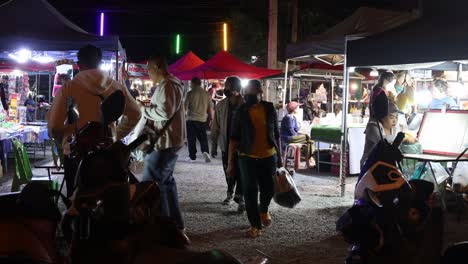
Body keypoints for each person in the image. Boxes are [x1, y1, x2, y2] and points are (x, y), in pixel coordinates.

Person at [48, 44, 141, 197]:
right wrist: (115, 134)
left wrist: (65, 141)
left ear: (79, 65)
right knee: (106, 196)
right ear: (100, 63)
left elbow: (53, 127)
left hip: (76, 153)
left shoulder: (69, 88)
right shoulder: (115, 86)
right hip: (106, 151)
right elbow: (135, 114)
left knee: (77, 198)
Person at [228, 80, 283, 238]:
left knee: (268, 189)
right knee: (250, 191)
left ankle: (263, 209)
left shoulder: (269, 108)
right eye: (248, 94)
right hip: (247, 157)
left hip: (269, 156)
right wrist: (231, 163)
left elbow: (276, 134)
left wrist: (280, 157)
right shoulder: (240, 111)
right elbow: (233, 138)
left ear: (261, 93)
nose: (250, 97)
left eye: (253, 94)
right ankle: (255, 225)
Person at [140, 55, 187, 233]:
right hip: (170, 140)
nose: (148, 74)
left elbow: (164, 112)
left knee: (151, 186)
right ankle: (175, 225)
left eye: (149, 70)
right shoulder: (171, 84)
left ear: (159, 67)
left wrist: (142, 109)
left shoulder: (168, 85)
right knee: (166, 183)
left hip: (165, 141)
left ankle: (164, 228)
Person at [211, 76, 245, 211]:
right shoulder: (220, 105)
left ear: (237, 88)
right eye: (226, 86)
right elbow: (215, 126)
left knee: (242, 172)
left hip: (243, 146)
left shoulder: (246, 104)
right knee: (228, 172)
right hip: (226, 145)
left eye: (229, 86)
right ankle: (230, 193)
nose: (226, 89)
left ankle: (240, 197)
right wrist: (213, 145)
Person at [361, 101, 417, 167]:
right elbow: (382, 143)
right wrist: (403, 138)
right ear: (382, 117)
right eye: (391, 117)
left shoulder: (395, 127)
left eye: (396, 117)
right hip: (370, 165)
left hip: (387, 164)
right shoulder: (373, 126)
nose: (394, 120)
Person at [185, 77, 212, 162]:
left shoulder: (190, 93)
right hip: (202, 119)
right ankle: (205, 152)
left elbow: (184, 108)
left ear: (193, 83)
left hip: (191, 119)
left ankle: (192, 156)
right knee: (203, 138)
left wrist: (184, 116)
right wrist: (211, 118)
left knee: (191, 139)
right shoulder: (207, 94)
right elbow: (210, 108)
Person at [280, 101, 315, 167]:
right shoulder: (288, 118)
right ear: (294, 109)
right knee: (307, 137)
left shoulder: (294, 118)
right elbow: (291, 131)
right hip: (288, 138)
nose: (299, 109)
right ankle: (310, 159)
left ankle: (309, 160)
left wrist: (299, 133)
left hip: (293, 137)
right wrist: (299, 135)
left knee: (310, 142)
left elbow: (296, 129)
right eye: (298, 107)